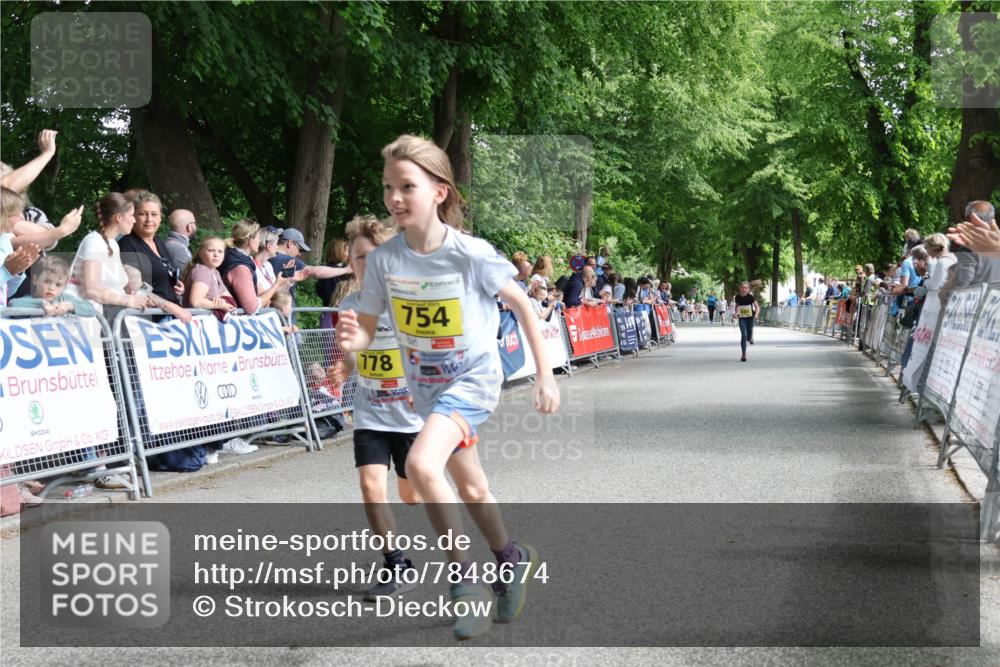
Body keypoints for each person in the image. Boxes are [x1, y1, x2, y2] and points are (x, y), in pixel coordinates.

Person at [336, 134, 559, 640]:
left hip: (474, 379)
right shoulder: (388, 260)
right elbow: (369, 325)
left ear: (439, 191)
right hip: (428, 392)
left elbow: (522, 304)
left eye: (407, 187)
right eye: (389, 187)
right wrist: (356, 336)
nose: (395, 198)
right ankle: (511, 557)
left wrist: (544, 375)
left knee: (418, 464)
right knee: (473, 486)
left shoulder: (469, 253)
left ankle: (466, 585)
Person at [335, 214, 424, 600]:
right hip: (370, 412)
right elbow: (354, 352)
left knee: (411, 496)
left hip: (410, 416)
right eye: (357, 258)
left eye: (372, 257)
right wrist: (343, 366)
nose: (364, 265)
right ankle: (396, 563)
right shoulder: (350, 305)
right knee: (371, 487)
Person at [64, 193, 153, 317]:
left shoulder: (113, 244)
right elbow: (92, 290)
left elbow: (110, 287)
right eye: (132, 215)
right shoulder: (94, 242)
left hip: (103, 319)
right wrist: (127, 300)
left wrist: (133, 297)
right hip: (84, 321)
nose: (134, 220)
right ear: (119, 217)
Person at [117, 191, 192, 323]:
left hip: (170, 316)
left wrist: (176, 284)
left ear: (160, 218)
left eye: (154, 214)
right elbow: (135, 289)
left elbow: (161, 275)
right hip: (148, 320)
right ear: (133, 216)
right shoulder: (127, 244)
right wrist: (170, 306)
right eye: (142, 214)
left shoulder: (159, 242)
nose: (149, 219)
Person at [219, 219, 289, 314]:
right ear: (251, 241)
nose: (260, 241)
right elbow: (252, 307)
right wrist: (276, 285)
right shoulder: (240, 267)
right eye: (258, 238)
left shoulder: (238, 259)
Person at [268, 228, 352, 306]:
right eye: (299, 249)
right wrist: (346, 269)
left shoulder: (269, 258)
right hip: (283, 311)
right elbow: (315, 272)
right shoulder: (288, 260)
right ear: (290, 243)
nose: (299, 254)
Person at [9, 255, 97, 317]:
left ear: (64, 286)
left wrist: (70, 305)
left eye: (58, 285)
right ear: (35, 280)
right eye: (47, 281)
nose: (52, 288)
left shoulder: (63, 298)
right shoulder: (32, 298)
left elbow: (91, 309)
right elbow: (13, 304)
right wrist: (42, 304)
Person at [1, 187, 41, 308]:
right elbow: (4, 274)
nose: (22, 218)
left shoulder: (5, 239)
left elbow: (8, 293)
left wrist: (18, 270)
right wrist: (6, 271)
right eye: (16, 213)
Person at [945, 202, 1000, 289]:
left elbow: (962, 282)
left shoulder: (969, 247)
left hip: (981, 300)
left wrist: (948, 288)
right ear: (992, 218)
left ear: (968, 218)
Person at [183, 237, 235, 314]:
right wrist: (219, 305)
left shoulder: (215, 272)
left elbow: (230, 299)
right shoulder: (202, 271)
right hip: (196, 321)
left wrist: (223, 301)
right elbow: (196, 301)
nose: (216, 255)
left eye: (220, 251)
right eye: (211, 250)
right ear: (200, 253)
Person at [316, 238, 350, 307]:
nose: (348, 254)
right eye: (346, 251)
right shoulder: (331, 272)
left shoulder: (330, 269)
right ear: (340, 252)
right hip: (333, 312)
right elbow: (331, 296)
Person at [164, 209, 197, 273]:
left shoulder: (164, 243)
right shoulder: (181, 250)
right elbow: (190, 278)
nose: (195, 226)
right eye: (194, 223)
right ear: (189, 227)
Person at [734, 281, 758, 362]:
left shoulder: (750, 297)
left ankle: (750, 338)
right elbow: (737, 307)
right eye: (742, 288)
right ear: (740, 289)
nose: (744, 289)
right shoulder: (737, 297)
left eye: (746, 288)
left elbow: (757, 307)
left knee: (748, 336)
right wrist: (736, 314)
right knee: (744, 335)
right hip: (742, 318)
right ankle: (743, 354)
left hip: (750, 318)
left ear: (748, 289)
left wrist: (756, 315)